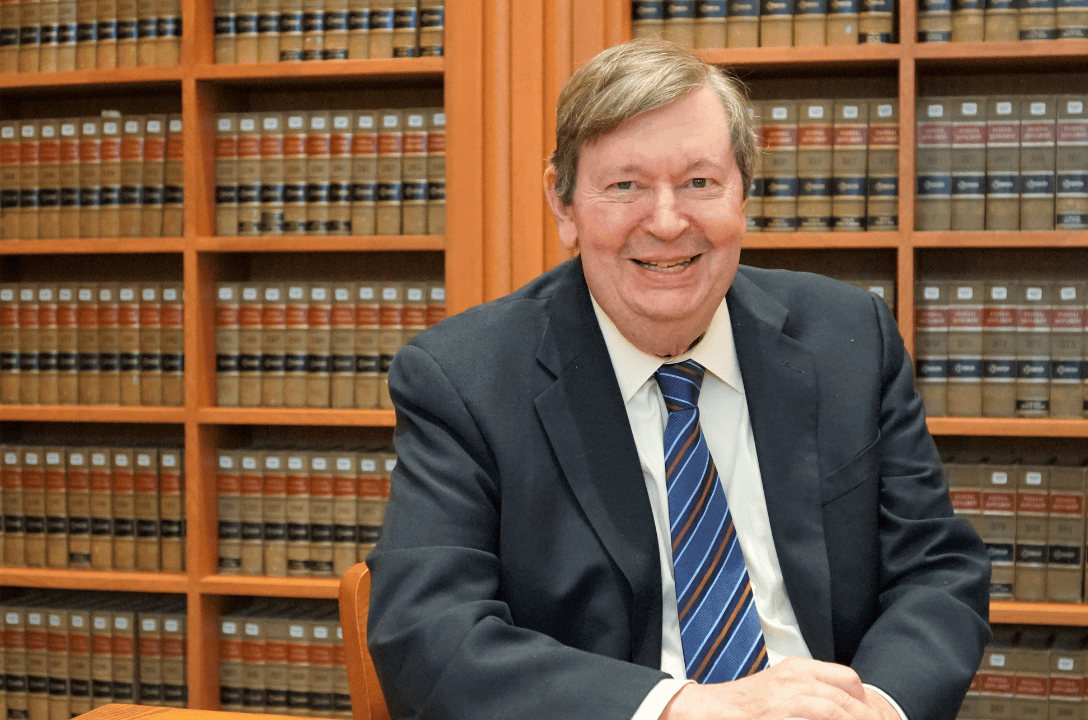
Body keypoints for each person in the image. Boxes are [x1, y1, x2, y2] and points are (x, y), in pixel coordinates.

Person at [366, 38, 991, 720]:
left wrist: (874, 710)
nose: (667, 223)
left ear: (743, 195)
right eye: (625, 185)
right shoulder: (465, 380)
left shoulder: (850, 339)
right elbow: (429, 638)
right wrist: (684, 709)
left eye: (699, 182)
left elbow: (936, 574)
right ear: (564, 204)